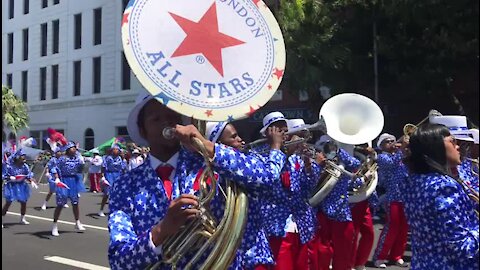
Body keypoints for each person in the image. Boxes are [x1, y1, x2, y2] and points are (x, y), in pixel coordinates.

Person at [107, 91, 287, 269]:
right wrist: (161, 231)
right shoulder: (124, 185)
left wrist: (206, 146)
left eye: (173, 115)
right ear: (142, 130)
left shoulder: (212, 165)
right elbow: (119, 260)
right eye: (156, 119)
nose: (167, 122)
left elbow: (268, 180)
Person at [402, 123, 479, 269]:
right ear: (436, 146)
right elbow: (462, 248)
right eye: (453, 141)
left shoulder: (412, 180)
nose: (458, 147)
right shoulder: (445, 186)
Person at [314, 135, 363, 270]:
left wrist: (339, 153)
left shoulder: (342, 160)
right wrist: (318, 165)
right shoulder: (315, 163)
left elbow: (356, 164)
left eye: (330, 147)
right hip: (322, 210)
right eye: (324, 147)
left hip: (341, 211)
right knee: (323, 250)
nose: (327, 151)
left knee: (343, 249)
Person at [372, 133, 409, 268]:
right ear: (381, 146)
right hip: (393, 197)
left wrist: (406, 149)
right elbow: (392, 165)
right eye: (388, 141)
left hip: (405, 197)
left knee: (404, 228)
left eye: (393, 140)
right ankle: (380, 257)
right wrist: (402, 147)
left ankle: (397, 255)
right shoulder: (382, 157)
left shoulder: (401, 156)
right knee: (391, 227)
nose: (392, 143)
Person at [51, 141, 87, 236]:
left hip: (74, 181)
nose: (74, 149)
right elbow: (55, 169)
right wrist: (57, 178)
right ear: (67, 149)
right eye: (72, 148)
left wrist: (82, 163)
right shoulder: (62, 159)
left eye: (75, 148)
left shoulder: (76, 159)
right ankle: (54, 225)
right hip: (64, 180)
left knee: (75, 203)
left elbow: (80, 170)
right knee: (60, 204)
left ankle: (77, 222)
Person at [2, 149, 37, 227]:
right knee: (8, 202)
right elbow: (4, 175)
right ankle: (2, 219)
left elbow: (28, 175)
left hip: (22, 185)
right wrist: (10, 177)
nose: (24, 157)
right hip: (12, 185)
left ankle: (22, 218)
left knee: (24, 202)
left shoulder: (25, 166)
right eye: (22, 156)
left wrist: (31, 181)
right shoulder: (10, 166)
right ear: (18, 157)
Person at [98, 144, 126, 217]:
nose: (116, 151)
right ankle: (101, 209)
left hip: (118, 176)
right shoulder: (108, 158)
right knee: (107, 193)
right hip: (109, 175)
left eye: (117, 149)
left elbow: (123, 169)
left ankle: (115, 209)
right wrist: (102, 176)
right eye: (114, 149)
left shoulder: (120, 158)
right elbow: (103, 167)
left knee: (117, 194)